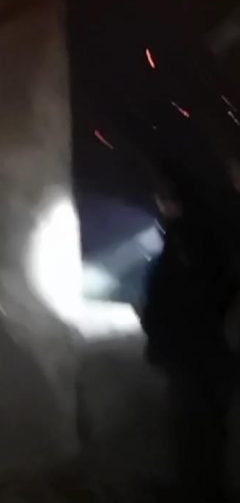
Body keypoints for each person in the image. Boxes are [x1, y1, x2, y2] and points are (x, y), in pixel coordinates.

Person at [142, 165, 239, 502]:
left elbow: (185, 299)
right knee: (199, 428)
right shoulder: (196, 238)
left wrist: (163, 332)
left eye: (166, 200)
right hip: (200, 351)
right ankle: (197, 488)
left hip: (196, 352)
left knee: (196, 427)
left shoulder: (191, 242)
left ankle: (200, 492)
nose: (162, 206)